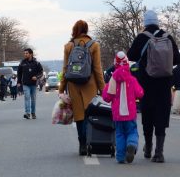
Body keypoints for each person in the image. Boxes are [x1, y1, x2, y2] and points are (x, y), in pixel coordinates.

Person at [127, 10, 180, 163]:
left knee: (148, 115)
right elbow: (178, 59)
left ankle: (148, 148)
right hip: (164, 84)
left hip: (146, 83)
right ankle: (159, 152)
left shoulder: (142, 38)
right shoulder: (167, 37)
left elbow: (130, 55)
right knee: (161, 116)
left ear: (145, 22)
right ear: (157, 22)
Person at [59, 20, 105, 156]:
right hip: (89, 84)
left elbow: (65, 69)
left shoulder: (68, 46)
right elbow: (97, 69)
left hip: (73, 85)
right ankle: (90, 141)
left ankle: (82, 144)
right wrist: (103, 89)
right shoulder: (94, 45)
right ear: (87, 29)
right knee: (89, 114)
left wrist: (61, 88)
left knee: (78, 115)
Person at [103, 52, 144, 164]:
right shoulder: (132, 79)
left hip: (117, 114)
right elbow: (140, 93)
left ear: (115, 64)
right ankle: (131, 144)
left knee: (119, 134)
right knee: (132, 131)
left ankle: (121, 157)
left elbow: (106, 97)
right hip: (130, 113)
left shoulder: (113, 80)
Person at [17, 48, 43, 120]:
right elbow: (19, 73)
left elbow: (41, 72)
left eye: (26, 53)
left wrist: (36, 77)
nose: (25, 54)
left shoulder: (36, 63)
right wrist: (19, 82)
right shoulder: (22, 63)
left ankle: (33, 113)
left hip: (33, 84)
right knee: (27, 97)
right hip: (25, 84)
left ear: (31, 54)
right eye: (24, 53)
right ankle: (27, 113)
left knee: (33, 99)